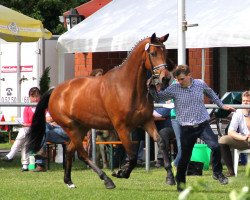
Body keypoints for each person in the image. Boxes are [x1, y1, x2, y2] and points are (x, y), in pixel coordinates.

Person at [149, 64, 236, 192]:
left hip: (202, 124)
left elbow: (211, 93)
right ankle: (181, 184)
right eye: (177, 79)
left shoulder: (200, 83)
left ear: (189, 75)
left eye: (182, 79)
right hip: (186, 128)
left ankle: (217, 173)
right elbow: (158, 97)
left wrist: (221, 105)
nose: (179, 82)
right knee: (184, 158)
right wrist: (152, 85)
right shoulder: (174, 88)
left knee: (216, 146)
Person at [1, 87, 41, 171]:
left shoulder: (42, 107)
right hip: (29, 130)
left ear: (40, 96)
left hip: (39, 129)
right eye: (33, 96)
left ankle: (12, 153)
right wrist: (29, 124)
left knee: (23, 131)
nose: (35, 98)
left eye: (37, 96)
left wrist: (30, 124)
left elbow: (42, 121)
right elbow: (26, 121)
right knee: (25, 139)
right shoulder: (27, 108)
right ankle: (25, 165)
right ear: (29, 97)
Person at [219, 90, 250, 177]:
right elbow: (231, 131)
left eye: (248, 101)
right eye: (244, 101)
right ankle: (231, 171)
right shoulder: (238, 112)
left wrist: (247, 115)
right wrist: (242, 138)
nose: (245, 103)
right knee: (223, 139)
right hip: (243, 139)